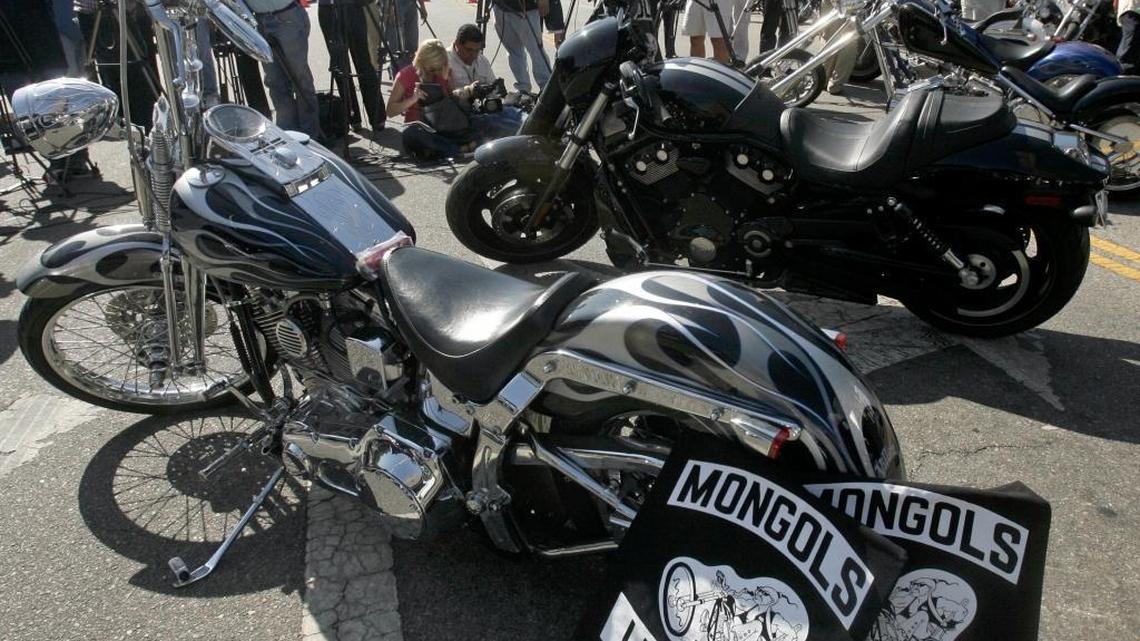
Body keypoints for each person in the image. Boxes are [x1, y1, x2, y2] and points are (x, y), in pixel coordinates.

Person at [246, 0, 322, 138]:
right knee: (275, 82)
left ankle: (310, 137)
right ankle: (288, 135)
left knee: (300, 80)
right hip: (259, 19)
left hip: (287, 16)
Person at [318, 0, 386, 134]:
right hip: (328, 8)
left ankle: (377, 117)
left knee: (363, 61)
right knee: (340, 66)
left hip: (353, 6)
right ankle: (352, 117)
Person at [448, 24, 522, 137]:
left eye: (477, 50)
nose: (473, 55)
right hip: (463, 115)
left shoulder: (481, 60)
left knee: (520, 115)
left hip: (485, 109)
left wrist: (496, 90)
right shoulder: (444, 62)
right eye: (469, 50)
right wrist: (469, 92)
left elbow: (495, 92)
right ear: (457, 44)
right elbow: (445, 98)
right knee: (510, 127)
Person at [492, 0, 552, 92]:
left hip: (526, 10)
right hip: (500, 8)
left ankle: (547, 87)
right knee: (513, 52)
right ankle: (523, 88)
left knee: (536, 51)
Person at [1120, 0, 1140, 74]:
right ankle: (1126, 66)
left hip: (1127, 11)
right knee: (1131, 42)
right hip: (1133, 13)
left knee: (1128, 40)